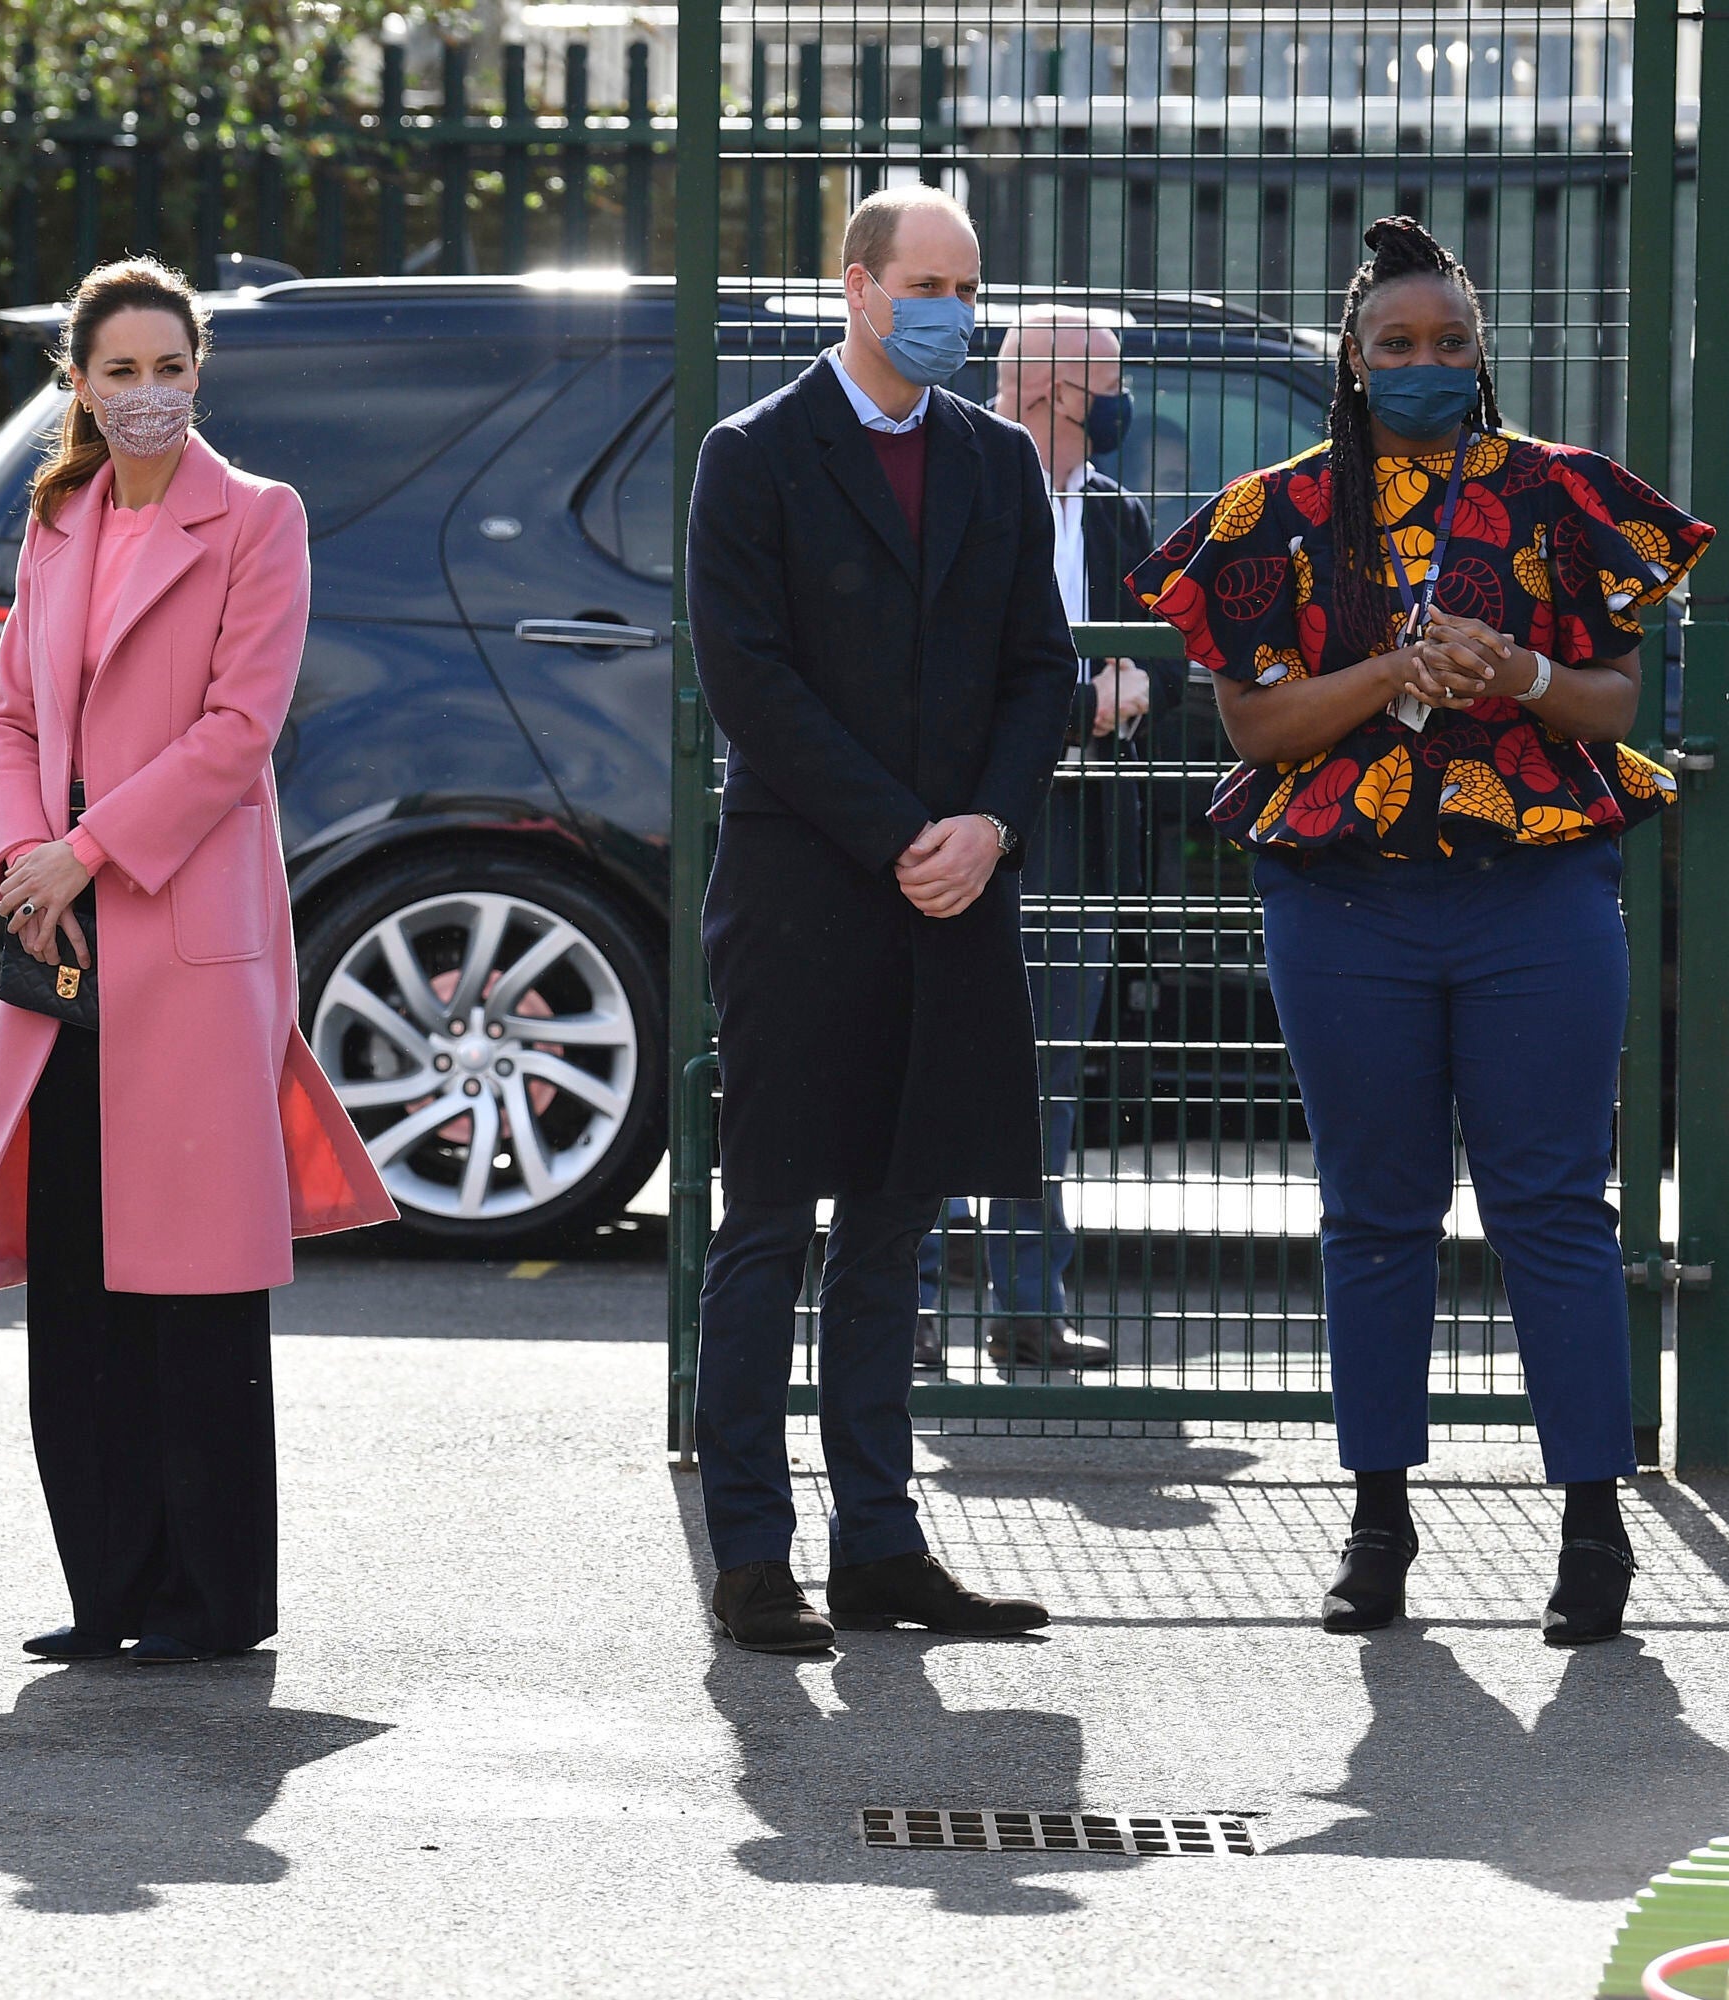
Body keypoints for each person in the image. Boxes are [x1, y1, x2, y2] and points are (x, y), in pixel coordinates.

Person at [1130, 216, 1711, 1645]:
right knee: (1376, 1217)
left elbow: (1616, 705)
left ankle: (1594, 1529)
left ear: (1482, 353)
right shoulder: (1276, 516)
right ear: (1355, 356)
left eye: (1452, 344)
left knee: (1554, 1212)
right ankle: (1377, 1525)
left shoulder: (1564, 497)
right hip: (1344, 905)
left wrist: (1515, 668)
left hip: (1537, 899)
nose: (1427, 366)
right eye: (1399, 346)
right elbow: (1257, 722)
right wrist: (1391, 666)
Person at [0, 258, 396, 1664]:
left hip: (183, 939)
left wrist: (85, 854)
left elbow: (237, 728)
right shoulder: (57, 519)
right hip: (65, 941)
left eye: (169, 367)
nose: (147, 395)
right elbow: (10, 720)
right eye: (119, 372)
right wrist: (31, 861)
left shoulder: (259, 517)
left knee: (192, 1287)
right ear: (77, 384)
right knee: (80, 1282)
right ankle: (107, 1594)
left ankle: (212, 1602)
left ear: (201, 370)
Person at [685, 186, 1081, 1654]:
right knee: (771, 1221)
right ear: (854, 288)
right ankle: (748, 1556)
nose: (953, 313)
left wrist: (988, 823)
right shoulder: (757, 455)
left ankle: (881, 1548)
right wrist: (900, 830)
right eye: (927, 282)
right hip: (806, 893)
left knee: (897, 1230)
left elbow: (1039, 670)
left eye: (969, 288)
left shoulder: (992, 459)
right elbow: (751, 682)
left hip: (953, 894)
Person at [913, 305, 1169, 1373]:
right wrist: (1082, 698)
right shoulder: (954, 483)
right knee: (930, 1063)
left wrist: (1142, 681)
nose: (1120, 406)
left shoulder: (1114, 515)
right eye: (1106, 385)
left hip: (1078, 830)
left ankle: (1029, 1303)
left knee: (1049, 1076)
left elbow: (1170, 652)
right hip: (963, 821)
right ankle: (909, 1300)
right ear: (1060, 391)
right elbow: (954, 666)